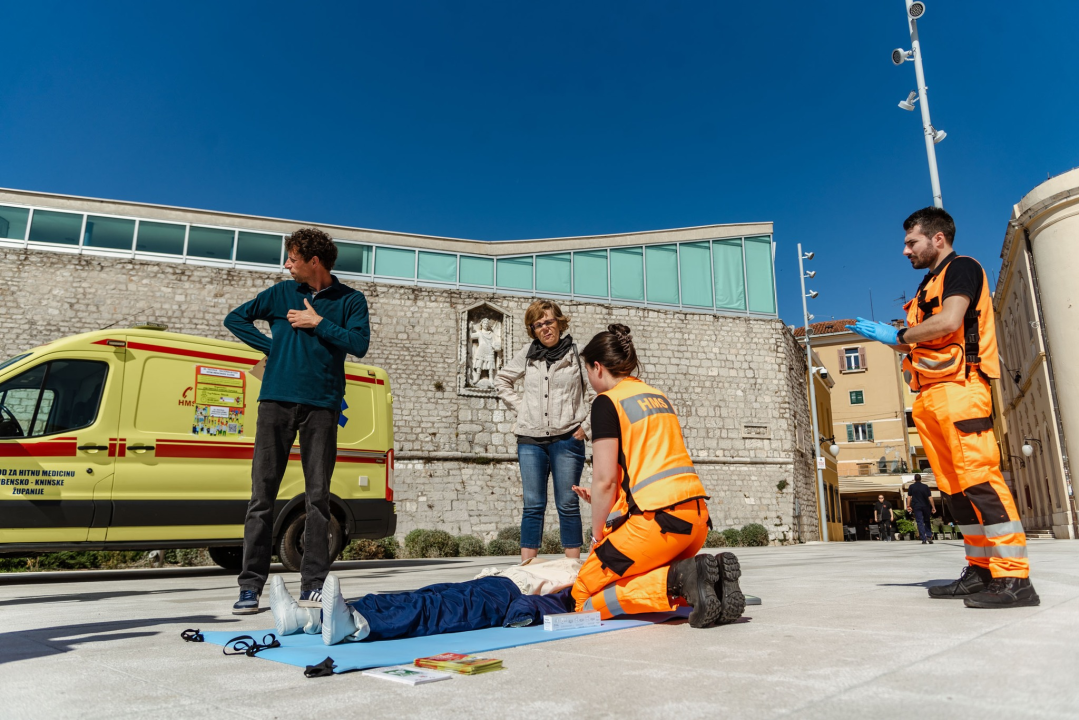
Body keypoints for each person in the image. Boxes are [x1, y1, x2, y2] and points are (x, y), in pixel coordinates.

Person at [847, 206, 1037, 608]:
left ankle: (1015, 579)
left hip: (961, 388)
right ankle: (981, 570)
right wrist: (888, 337)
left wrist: (897, 332)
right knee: (955, 491)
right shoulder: (923, 288)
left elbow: (951, 321)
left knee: (980, 481)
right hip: (931, 397)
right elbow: (916, 339)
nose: (905, 250)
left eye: (910, 242)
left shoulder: (961, 268)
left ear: (937, 239)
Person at [224, 228, 371, 615]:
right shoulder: (279, 293)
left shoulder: (351, 300)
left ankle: (313, 585)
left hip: (322, 406)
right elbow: (235, 319)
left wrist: (317, 322)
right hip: (275, 402)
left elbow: (359, 344)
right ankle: (250, 586)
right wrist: (275, 347)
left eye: (292, 258)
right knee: (262, 496)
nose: (286, 265)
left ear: (314, 261)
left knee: (318, 498)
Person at [569, 324, 744, 628]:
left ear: (597, 367)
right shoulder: (658, 396)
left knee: (582, 595)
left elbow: (605, 480)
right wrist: (611, 504)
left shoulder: (607, 402)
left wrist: (597, 537)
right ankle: (705, 582)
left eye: (587, 372)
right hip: (695, 521)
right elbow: (651, 468)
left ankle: (678, 580)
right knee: (637, 572)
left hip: (658, 526)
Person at [267, 558, 583, 645]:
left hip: (504, 597)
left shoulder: (587, 585)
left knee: (433, 611)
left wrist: (525, 613)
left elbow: (541, 608)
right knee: (413, 597)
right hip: (491, 581)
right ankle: (306, 620)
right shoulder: (591, 562)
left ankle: (358, 625)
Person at [496, 300, 594, 562]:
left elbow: (598, 392)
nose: (545, 328)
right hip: (530, 440)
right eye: (538, 325)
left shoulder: (578, 353)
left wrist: (586, 426)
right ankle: (527, 566)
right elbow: (502, 380)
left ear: (559, 322)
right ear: (533, 330)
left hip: (567, 439)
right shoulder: (527, 354)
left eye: (549, 322)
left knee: (567, 503)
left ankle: (573, 565)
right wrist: (523, 407)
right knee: (533, 504)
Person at [906, 474, 936, 544]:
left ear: (914, 479)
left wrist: (908, 506)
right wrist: (933, 507)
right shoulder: (925, 487)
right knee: (927, 521)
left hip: (916, 506)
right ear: (920, 479)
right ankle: (929, 536)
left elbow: (909, 497)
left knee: (920, 522)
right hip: (926, 506)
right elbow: (930, 497)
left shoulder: (911, 487)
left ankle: (923, 538)